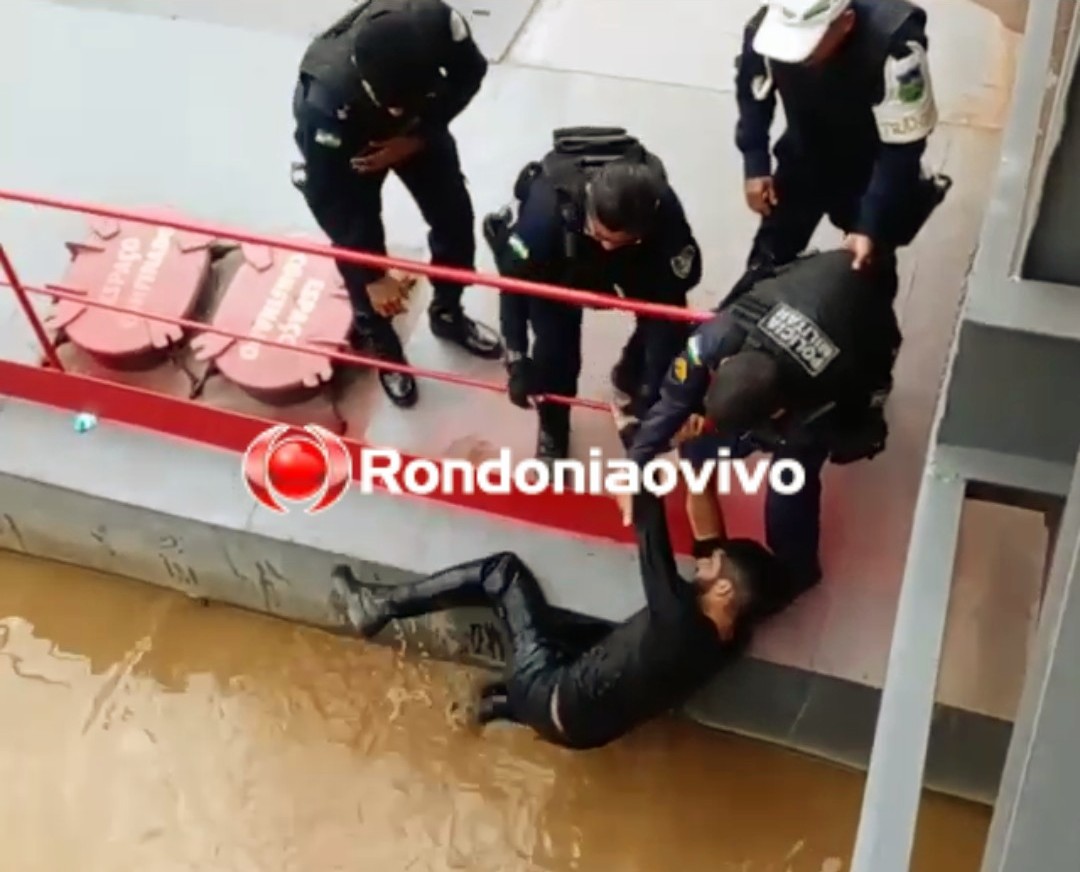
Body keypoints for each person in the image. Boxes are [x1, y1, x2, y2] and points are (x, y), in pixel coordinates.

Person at [330, 490, 796, 749]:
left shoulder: (676, 613)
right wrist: (697, 466)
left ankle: (378, 608)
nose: (702, 563)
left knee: (503, 573)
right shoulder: (731, 637)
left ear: (724, 590)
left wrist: (637, 432)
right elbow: (710, 542)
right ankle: (488, 708)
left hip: (546, 689)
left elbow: (647, 519)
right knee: (589, 641)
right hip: (585, 735)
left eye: (712, 566)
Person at [618, 249, 901, 593]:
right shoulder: (717, 337)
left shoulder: (820, 394)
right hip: (809, 278)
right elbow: (675, 398)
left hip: (857, 316)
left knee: (791, 481)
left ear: (777, 413)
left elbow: (813, 431)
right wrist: (633, 465)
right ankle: (710, 524)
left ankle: (799, 571)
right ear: (722, 366)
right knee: (700, 446)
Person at [292, 0, 502, 409]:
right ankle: (385, 346)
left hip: (421, 129)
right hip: (353, 150)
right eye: (388, 102)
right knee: (357, 250)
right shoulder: (325, 102)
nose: (393, 109)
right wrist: (374, 274)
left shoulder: (440, 24)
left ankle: (448, 311)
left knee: (454, 217)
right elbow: (333, 203)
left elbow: (470, 74)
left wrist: (418, 133)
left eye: (402, 101)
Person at [482, 127, 702, 462]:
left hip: (634, 267)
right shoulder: (543, 216)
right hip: (561, 268)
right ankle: (554, 427)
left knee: (663, 339)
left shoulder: (664, 213)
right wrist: (516, 357)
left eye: (618, 239)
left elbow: (669, 308)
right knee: (555, 355)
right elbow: (514, 286)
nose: (607, 245)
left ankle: (631, 381)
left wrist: (655, 393)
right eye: (601, 235)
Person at [731, 0, 950, 304]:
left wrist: (869, 226)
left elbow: (903, 147)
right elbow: (752, 94)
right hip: (803, 153)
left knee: (867, 271)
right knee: (766, 259)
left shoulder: (894, 43)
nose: (799, 57)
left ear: (845, 22)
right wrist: (755, 163)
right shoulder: (769, 28)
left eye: (810, 44)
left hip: (871, 169)